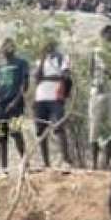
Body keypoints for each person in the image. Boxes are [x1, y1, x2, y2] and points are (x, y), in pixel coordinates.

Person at [0, 38, 29, 169]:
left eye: (10, 47)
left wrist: (16, 101)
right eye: (4, 47)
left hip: (16, 105)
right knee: (1, 137)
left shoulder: (21, 63)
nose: (7, 49)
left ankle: (25, 165)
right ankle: (4, 169)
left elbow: (24, 84)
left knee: (17, 133)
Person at [89, 25, 111, 170]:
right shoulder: (96, 52)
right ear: (103, 35)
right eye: (110, 34)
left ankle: (107, 161)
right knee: (94, 127)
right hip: (99, 91)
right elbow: (92, 71)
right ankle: (94, 163)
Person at [33, 40, 72, 168]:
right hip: (40, 97)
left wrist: (57, 77)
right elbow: (37, 77)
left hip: (55, 96)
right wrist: (43, 60)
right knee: (40, 129)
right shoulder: (40, 60)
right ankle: (46, 163)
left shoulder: (62, 58)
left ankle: (65, 160)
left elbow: (66, 75)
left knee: (59, 127)